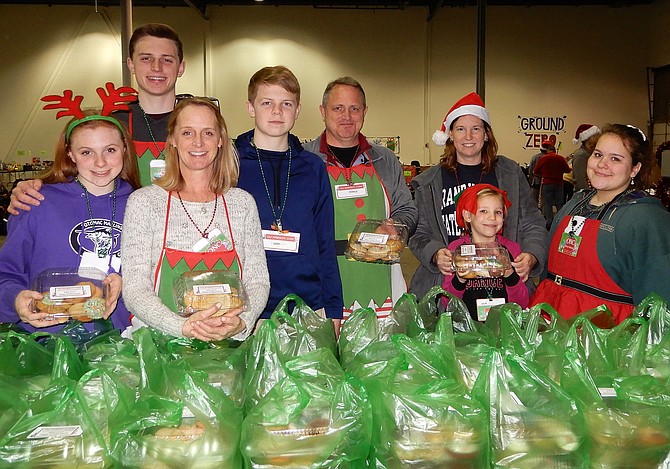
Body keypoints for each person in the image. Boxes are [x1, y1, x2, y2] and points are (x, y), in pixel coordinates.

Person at [121, 97, 270, 341]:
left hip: (229, 344)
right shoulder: (145, 202)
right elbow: (135, 289)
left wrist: (241, 322)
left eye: (208, 133)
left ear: (221, 140)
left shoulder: (242, 204)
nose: (198, 142)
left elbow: (257, 280)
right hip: (161, 345)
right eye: (187, 132)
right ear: (173, 140)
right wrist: (181, 327)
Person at [0, 88, 141, 334]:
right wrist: (16, 299)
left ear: (125, 150)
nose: (100, 162)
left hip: (120, 341)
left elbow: (158, 277)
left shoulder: (143, 205)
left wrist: (126, 284)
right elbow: (6, 273)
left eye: (110, 150)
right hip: (47, 340)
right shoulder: (36, 202)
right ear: (70, 154)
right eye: (86, 152)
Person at [8, 23, 185, 212]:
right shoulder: (111, 124)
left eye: (166, 60)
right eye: (146, 58)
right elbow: (73, 172)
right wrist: (33, 185)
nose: (156, 67)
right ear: (130, 64)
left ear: (181, 67)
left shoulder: (198, 124)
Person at [408, 92, 547, 300]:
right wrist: (435, 253)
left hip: (504, 286)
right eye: (460, 129)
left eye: (476, 129)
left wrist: (533, 255)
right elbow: (418, 232)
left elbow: (532, 222)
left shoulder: (510, 174)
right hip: (449, 285)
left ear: (486, 134)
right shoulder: (429, 183)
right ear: (450, 135)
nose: (469, 137)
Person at [234, 66, 343, 327]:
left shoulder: (314, 167)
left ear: (297, 110)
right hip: (247, 310)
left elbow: (325, 242)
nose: (276, 111)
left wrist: (334, 307)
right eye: (267, 102)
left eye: (286, 103)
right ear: (251, 108)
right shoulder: (231, 165)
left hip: (309, 306)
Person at [530, 124, 670, 325]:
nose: (602, 164)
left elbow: (659, 302)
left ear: (635, 168)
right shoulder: (575, 204)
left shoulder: (647, 218)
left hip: (605, 337)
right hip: (552, 323)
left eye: (615, 159)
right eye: (597, 155)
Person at [303, 76, 418, 320]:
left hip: (380, 280)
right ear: (323, 111)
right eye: (338, 108)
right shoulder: (305, 161)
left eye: (354, 108)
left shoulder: (385, 160)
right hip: (322, 282)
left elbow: (407, 209)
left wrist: (396, 226)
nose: (347, 116)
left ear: (364, 111)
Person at [442, 184, 529, 321]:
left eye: (498, 212)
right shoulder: (457, 250)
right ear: (467, 215)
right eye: (483, 211)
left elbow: (522, 303)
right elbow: (447, 303)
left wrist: (510, 274)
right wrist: (460, 279)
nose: (492, 217)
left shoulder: (511, 249)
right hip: (467, 330)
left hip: (504, 326)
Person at [533, 142, 571, 229]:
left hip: (547, 183)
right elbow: (567, 170)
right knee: (559, 203)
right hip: (559, 183)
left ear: (547, 150)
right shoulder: (561, 158)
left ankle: (549, 223)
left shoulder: (543, 158)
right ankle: (560, 222)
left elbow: (535, 171)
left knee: (547, 204)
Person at [570, 123, 601, 192]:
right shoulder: (581, 155)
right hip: (584, 195)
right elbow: (580, 179)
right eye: (596, 136)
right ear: (590, 139)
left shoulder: (590, 153)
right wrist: (588, 194)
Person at [527, 140, 551, 206]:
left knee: (534, 200)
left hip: (536, 181)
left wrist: (531, 181)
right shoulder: (550, 158)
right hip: (547, 182)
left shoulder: (534, 157)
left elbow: (530, 170)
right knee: (545, 201)